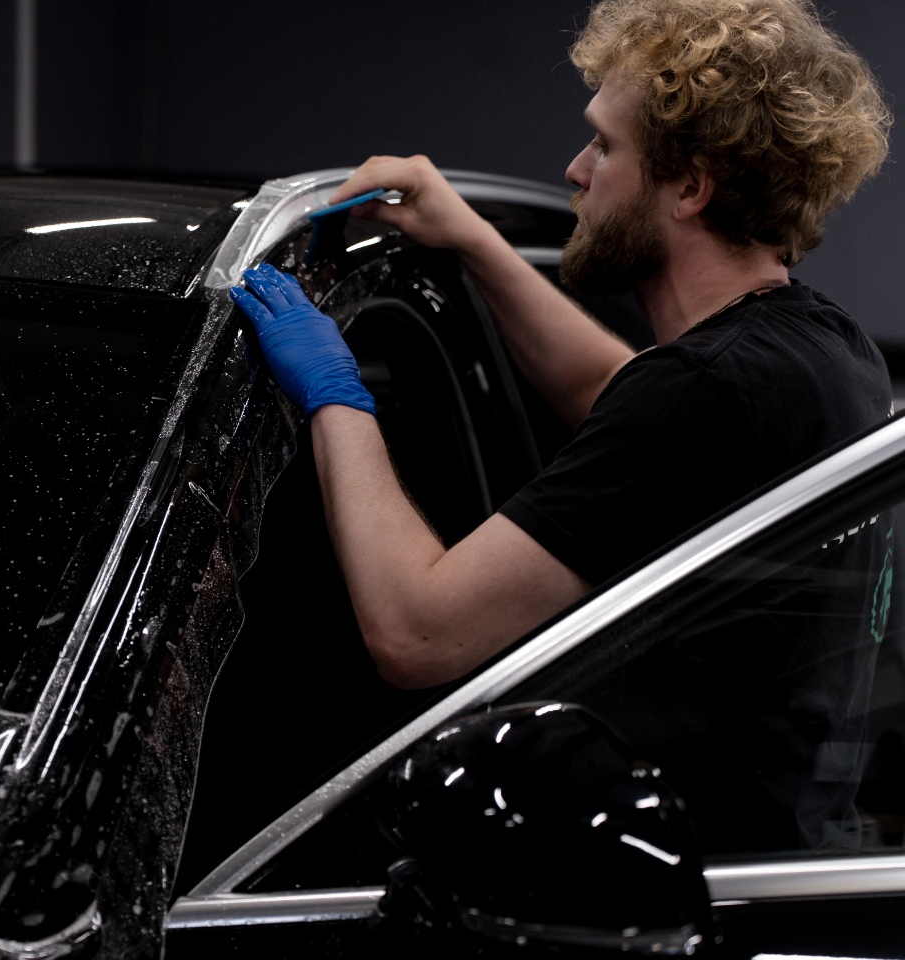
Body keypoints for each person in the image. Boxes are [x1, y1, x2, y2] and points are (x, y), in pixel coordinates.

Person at [231, 0, 893, 691]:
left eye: (605, 145)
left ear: (692, 187)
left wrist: (336, 393)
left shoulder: (704, 392)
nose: (577, 169)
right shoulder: (824, 348)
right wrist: (474, 239)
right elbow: (609, 386)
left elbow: (417, 633)